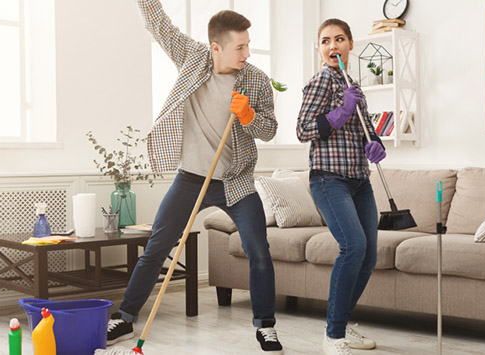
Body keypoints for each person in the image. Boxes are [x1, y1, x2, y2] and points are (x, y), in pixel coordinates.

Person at [106, 1, 282, 353]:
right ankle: (125, 317)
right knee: (156, 247)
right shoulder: (193, 57)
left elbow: (270, 130)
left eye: (248, 44)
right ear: (216, 47)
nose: (247, 52)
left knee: (258, 250)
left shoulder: (257, 80)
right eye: (240, 46)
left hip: (236, 181)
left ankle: (265, 326)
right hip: (191, 178)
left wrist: (248, 115)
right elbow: (159, 25)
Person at [296, 18, 386, 355]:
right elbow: (304, 129)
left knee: (368, 255)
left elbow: (362, 131)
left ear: (350, 44)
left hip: (360, 180)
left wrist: (374, 143)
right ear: (320, 49)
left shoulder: (353, 85)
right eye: (325, 41)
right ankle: (333, 337)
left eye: (339, 39)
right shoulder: (322, 80)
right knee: (353, 246)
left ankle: (343, 326)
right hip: (328, 178)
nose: (332, 46)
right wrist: (342, 110)